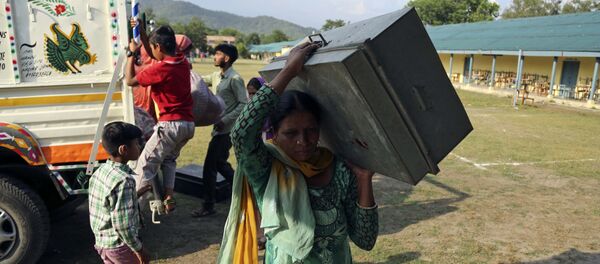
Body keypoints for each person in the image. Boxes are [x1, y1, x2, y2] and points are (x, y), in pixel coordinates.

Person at [218, 43, 379, 263]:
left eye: (311, 130)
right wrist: (289, 71)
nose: (303, 141)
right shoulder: (266, 168)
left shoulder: (338, 168)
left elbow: (365, 240)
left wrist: (364, 179)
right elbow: (240, 133)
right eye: (291, 133)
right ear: (273, 133)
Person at [125, 23, 195, 213]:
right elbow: (155, 52)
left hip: (170, 125)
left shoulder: (161, 70)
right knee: (169, 160)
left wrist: (131, 55)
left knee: (144, 166)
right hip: (188, 124)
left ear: (159, 48)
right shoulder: (181, 61)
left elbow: (130, 80)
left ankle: (134, 213)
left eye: (153, 48)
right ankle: (169, 195)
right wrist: (144, 35)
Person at [191, 44, 248, 217]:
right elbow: (198, 81)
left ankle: (209, 205)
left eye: (218, 54)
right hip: (218, 130)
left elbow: (243, 104)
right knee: (220, 164)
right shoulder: (217, 76)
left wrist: (225, 120)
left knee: (210, 166)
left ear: (227, 58)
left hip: (227, 130)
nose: (214, 57)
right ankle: (245, 193)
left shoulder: (235, 79)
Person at [88, 122, 149, 264]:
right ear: (124, 149)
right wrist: (140, 250)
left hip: (103, 243)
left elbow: (110, 205)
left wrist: (137, 194)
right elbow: (124, 226)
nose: (139, 147)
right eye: (136, 144)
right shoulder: (124, 181)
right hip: (121, 247)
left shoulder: (101, 171)